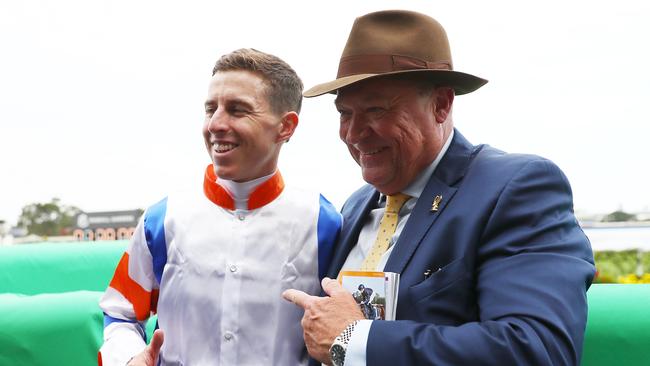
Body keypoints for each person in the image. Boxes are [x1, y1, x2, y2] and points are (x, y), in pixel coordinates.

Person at [283, 10, 595, 366]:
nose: (354, 133)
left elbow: (538, 350)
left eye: (375, 110)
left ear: (442, 104)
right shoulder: (355, 206)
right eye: (345, 113)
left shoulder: (517, 187)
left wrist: (355, 340)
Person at [99, 48, 341, 366]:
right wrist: (130, 358)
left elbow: (345, 330)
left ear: (286, 127)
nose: (215, 124)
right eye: (210, 109)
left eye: (237, 110)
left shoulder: (324, 222)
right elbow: (119, 314)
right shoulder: (161, 218)